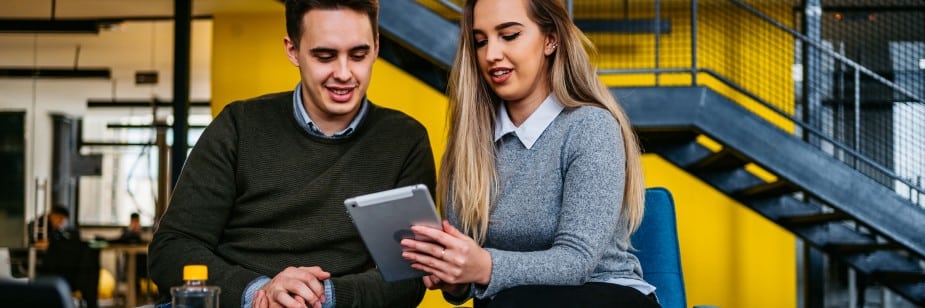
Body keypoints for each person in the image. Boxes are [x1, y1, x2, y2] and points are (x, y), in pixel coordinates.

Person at [147, 0, 437, 307]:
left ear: (376, 47)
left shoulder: (404, 140)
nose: (343, 73)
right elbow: (171, 249)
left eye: (358, 54)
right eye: (324, 56)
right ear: (292, 50)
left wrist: (321, 297)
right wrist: (258, 292)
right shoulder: (238, 126)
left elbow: (408, 276)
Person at [399, 0, 659, 307]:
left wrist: (484, 265)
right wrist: (454, 277)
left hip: (604, 293)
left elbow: (577, 261)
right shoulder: (470, 144)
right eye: (481, 41)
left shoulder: (590, 127)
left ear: (551, 39)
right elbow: (469, 276)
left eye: (509, 35)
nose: (491, 54)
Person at [28, 205, 101, 308]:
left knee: (86, 260)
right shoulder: (38, 226)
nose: (61, 223)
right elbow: (35, 243)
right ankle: (87, 292)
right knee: (85, 267)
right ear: (53, 215)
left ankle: (84, 283)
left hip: (55, 262)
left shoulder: (54, 229)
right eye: (60, 219)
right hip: (43, 263)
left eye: (63, 220)